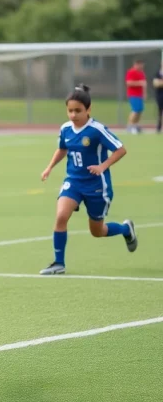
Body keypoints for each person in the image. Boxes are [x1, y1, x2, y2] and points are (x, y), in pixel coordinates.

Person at [39, 84, 137, 275]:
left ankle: (126, 229)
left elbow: (121, 149)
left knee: (97, 231)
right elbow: (62, 149)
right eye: (70, 111)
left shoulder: (97, 130)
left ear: (88, 109)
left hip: (96, 186)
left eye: (78, 110)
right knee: (61, 216)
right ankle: (59, 263)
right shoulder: (66, 129)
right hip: (73, 182)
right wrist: (49, 167)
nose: (73, 115)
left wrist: (102, 166)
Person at [125, 60, 146, 134]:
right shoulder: (131, 72)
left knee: (140, 110)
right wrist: (139, 83)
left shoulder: (141, 73)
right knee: (135, 110)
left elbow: (144, 84)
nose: (141, 66)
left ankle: (135, 125)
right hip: (133, 94)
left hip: (140, 95)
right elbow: (129, 83)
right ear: (136, 64)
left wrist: (144, 93)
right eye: (140, 64)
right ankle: (130, 126)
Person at [153, 62, 163, 134]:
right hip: (160, 96)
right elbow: (156, 84)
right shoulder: (157, 74)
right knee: (160, 112)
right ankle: (159, 127)